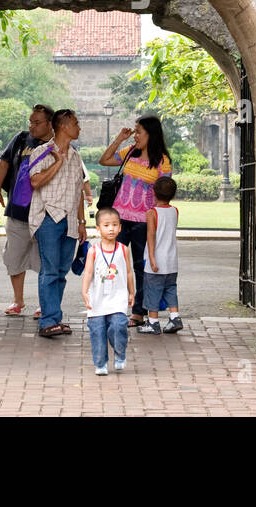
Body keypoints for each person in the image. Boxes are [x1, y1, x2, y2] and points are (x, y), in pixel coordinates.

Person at [98, 115, 173, 327]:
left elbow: (165, 194)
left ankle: (138, 312)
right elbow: (104, 160)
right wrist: (119, 139)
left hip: (143, 222)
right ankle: (111, 308)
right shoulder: (130, 152)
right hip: (120, 219)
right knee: (112, 263)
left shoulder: (162, 162)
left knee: (141, 268)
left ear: (151, 134)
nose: (136, 135)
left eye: (139, 131)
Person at [27, 108, 88, 338]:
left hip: (71, 220)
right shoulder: (42, 152)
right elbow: (35, 181)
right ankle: (48, 320)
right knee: (50, 271)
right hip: (48, 218)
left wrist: (82, 222)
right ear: (63, 126)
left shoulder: (76, 156)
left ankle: (55, 317)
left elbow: (79, 190)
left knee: (61, 272)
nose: (79, 127)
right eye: (76, 123)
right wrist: (57, 163)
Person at [0, 104, 53, 317]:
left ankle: (43, 303)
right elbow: (4, 164)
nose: (32, 126)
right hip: (18, 210)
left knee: (42, 260)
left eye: (37, 122)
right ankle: (18, 300)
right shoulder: (21, 139)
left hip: (44, 213)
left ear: (50, 124)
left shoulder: (56, 145)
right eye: (31, 121)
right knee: (14, 256)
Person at [82, 208, 135, 374]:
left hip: (118, 297)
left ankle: (120, 354)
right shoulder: (93, 251)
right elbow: (88, 273)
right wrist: (84, 292)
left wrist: (131, 292)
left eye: (114, 225)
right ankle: (100, 364)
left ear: (120, 227)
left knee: (119, 326)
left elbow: (128, 272)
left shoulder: (123, 249)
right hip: (97, 299)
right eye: (106, 225)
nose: (111, 229)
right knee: (97, 331)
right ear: (98, 228)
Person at [140, 177, 183, 334]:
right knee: (170, 289)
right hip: (172, 261)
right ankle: (175, 317)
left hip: (157, 261)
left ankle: (153, 322)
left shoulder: (152, 213)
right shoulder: (175, 211)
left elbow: (151, 235)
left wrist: (151, 257)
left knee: (153, 290)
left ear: (153, 192)